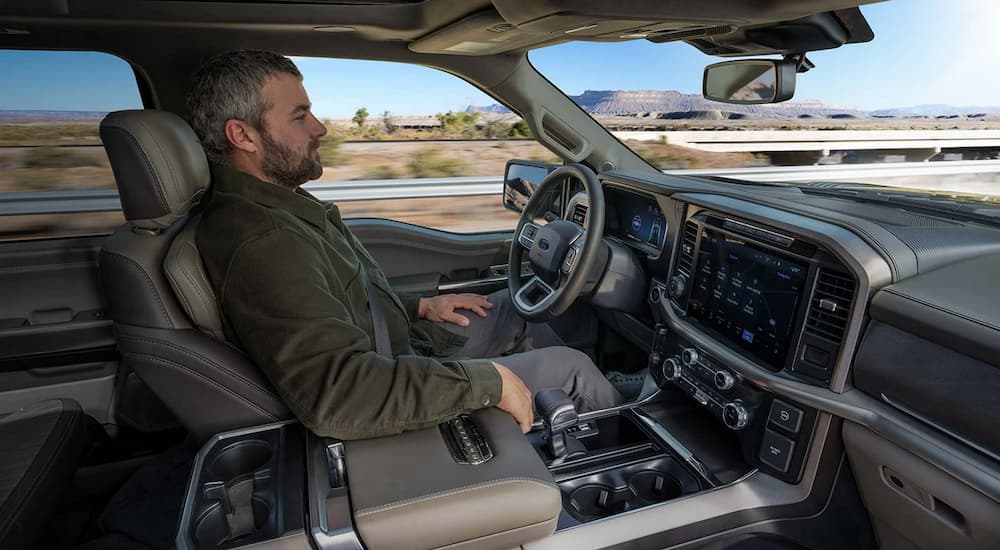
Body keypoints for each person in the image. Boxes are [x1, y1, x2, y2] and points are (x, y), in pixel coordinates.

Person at [186, 50, 622, 440]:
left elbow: (336, 297)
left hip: (401, 347)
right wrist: (489, 383)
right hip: (389, 379)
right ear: (242, 136)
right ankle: (623, 454)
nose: (319, 128)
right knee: (573, 369)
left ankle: (567, 419)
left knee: (512, 307)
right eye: (300, 117)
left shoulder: (274, 202)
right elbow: (339, 395)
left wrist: (418, 307)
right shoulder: (265, 242)